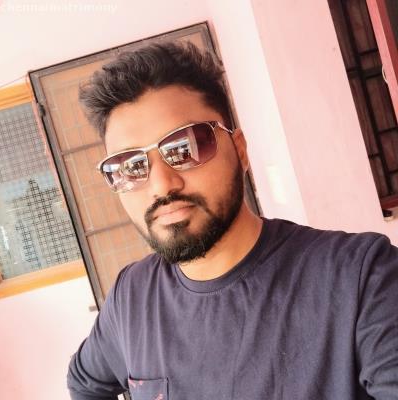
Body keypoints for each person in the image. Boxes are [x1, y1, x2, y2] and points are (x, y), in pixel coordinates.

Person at [67, 41, 398, 400]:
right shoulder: (131, 297)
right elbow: (84, 385)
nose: (161, 185)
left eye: (185, 146)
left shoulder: (362, 277)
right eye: (130, 167)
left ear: (239, 150)